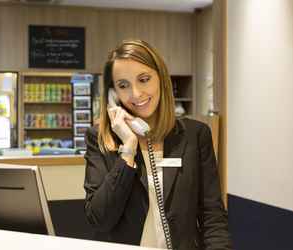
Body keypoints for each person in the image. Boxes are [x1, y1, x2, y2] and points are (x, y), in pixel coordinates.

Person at [84, 39, 232, 250]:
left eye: (144, 79)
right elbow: (99, 219)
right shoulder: (98, 139)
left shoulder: (195, 135)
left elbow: (213, 217)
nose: (136, 93)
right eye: (123, 85)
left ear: (161, 79)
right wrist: (128, 149)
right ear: (113, 94)